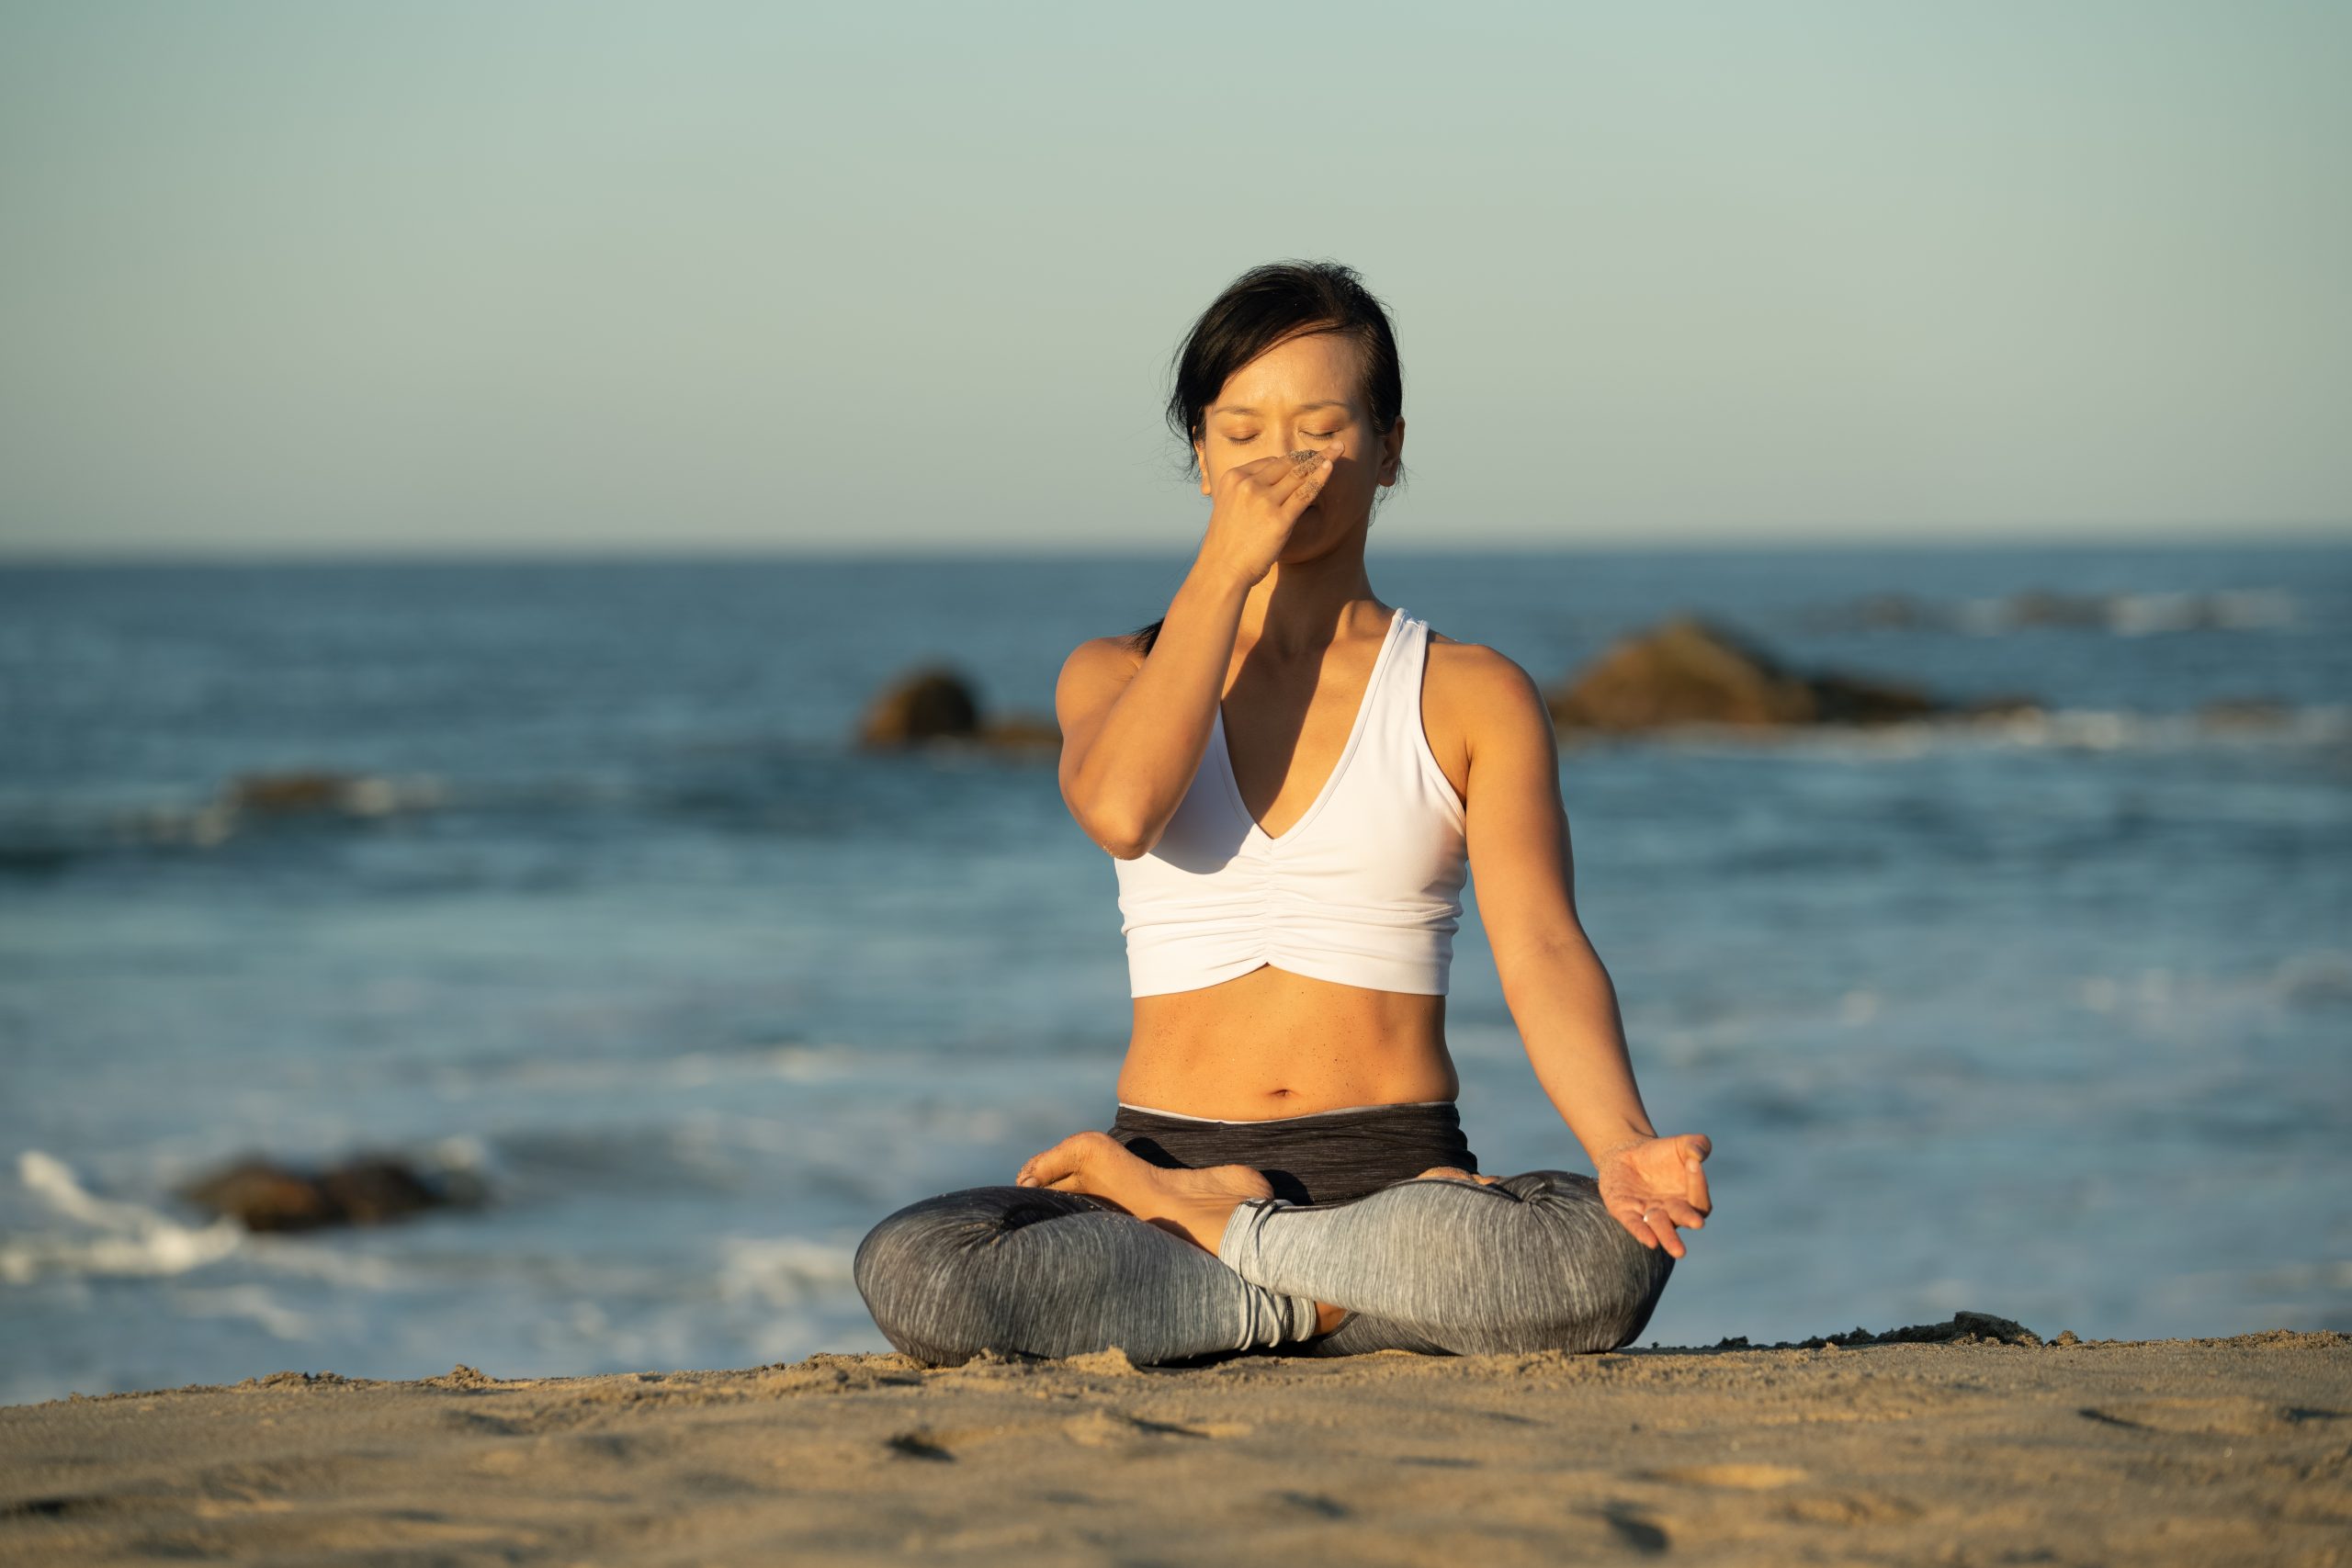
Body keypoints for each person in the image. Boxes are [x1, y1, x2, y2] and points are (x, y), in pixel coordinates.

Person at [854, 260, 1713, 1366]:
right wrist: (1223, 572)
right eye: (1243, 433)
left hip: (1393, 1180)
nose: (1281, 465)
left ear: (1389, 446)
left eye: (1318, 429)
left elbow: (1542, 943)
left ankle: (1239, 1255)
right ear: (1200, 456)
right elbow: (1122, 812)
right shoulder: (1110, 675)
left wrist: (1624, 1142)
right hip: (1160, 1173)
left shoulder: (1469, 692)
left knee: (1601, 1259)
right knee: (922, 1266)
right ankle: (1306, 1291)